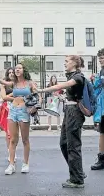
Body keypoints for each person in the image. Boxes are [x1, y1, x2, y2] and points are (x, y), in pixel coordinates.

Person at [38, 55, 86, 188]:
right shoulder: (72, 76)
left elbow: (64, 85)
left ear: (75, 63)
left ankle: (77, 179)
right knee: (64, 143)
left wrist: (42, 90)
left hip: (75, 112)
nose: (64, 63)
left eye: (67, 61)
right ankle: (78, 172)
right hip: (69, 111)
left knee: (73, 145)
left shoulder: (78, 77)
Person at [0, 63, 40, 175]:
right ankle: (11, 164)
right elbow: (5, 83)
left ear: (24, 70)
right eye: (16, 68)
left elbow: (38, 97)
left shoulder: (30, 83)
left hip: (24, 111)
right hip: (13, 110)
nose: (17, 70)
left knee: (25, 139)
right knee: (12, 139)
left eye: (19, 68)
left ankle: (25, 163)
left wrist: (35, 107)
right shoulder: (14, 83)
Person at [0, 67, 16, 161]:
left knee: (15, 133)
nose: (11, 74)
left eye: (13, 72)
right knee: (8, 132)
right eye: (9, 72)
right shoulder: (4, 84)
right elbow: (3, 96)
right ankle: (10, 152)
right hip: (7, 109)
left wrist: (8, 97)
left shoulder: (18, 83)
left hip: (17, 108)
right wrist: (9, 97)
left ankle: (13, 151)